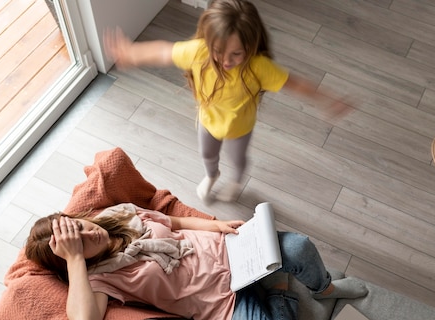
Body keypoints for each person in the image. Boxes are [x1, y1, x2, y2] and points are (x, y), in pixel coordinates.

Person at [25, 203, 368, 320]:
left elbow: (174, 223)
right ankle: (277, 289)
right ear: (72, 260)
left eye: (82, 227)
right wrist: (74, 260)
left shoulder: (119, 214)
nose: (92, 235)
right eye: (80, 244)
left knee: (299, 247)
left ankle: (324, 288)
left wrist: (216, 225)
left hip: (234, 254)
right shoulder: (100, 279)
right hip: (220, 305)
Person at [104, 0, 350, 203]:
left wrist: (327, 99)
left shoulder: (258, 67)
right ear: (209, 42)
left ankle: (235, 180)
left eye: (236, 54)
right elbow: (163, 52)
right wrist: (133, 54)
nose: (226, 61)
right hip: (208, 121)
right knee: (207, 154)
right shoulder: (198, 51)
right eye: (218, 51)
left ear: (251, 47)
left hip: (239, 128)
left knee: (238, 160)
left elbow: (294, 83)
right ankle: (212, 175)